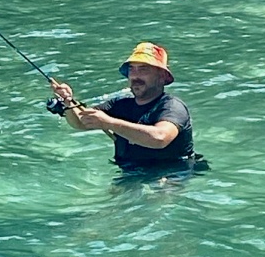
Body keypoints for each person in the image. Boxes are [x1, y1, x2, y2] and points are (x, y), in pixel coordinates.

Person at [50, 42, 207, 174]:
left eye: (143, 69)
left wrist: (110, 123)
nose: (135, 76)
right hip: (131, 172)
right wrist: (68, 101)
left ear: (161, 77)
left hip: (173, 172)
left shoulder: (172, 107)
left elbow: (159, 138)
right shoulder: (119, 105)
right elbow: (82, 123)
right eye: (132, 69)